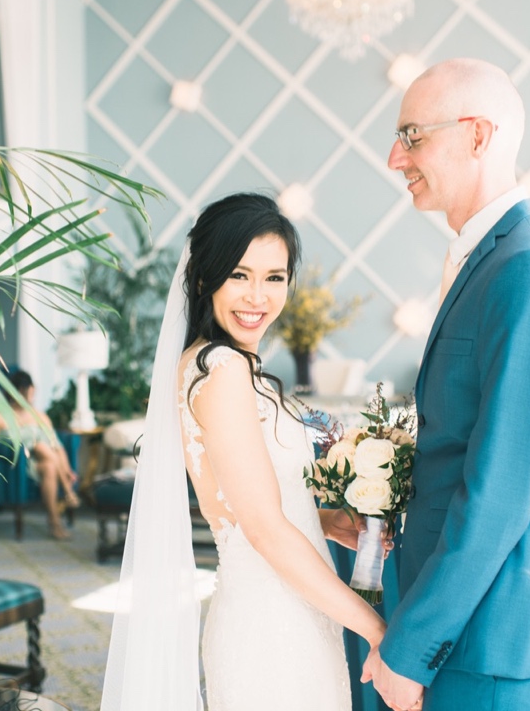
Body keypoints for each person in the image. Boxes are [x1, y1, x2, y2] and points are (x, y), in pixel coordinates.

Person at [364, 58, 530, 711]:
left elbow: (505, 485)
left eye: (412, 136)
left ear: (478, 136)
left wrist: (413, 646)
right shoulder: (496, 258)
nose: (396, 158)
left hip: (488, 639)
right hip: (462, 626)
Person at [102, 192, 386, 710]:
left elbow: (241, 499)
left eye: (274, 277)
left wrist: (325, 520)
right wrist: (377, 631)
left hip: (287, 610)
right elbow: (263, 529)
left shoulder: (223, 368)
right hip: (271, 626)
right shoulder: (224, 371)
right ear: (204, 278)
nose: (258, 296)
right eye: (239, 274)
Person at [0, 369, 80, 540]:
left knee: (48, 463)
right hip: (18, 465)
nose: (30, 398)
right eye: (27, 393)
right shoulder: (0, 417)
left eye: (33, 393)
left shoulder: (40, 416)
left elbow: (57, 446)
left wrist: (66, 469)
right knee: (41, 446)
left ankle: (54, 522)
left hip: (42, 463)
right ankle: (68, 492)